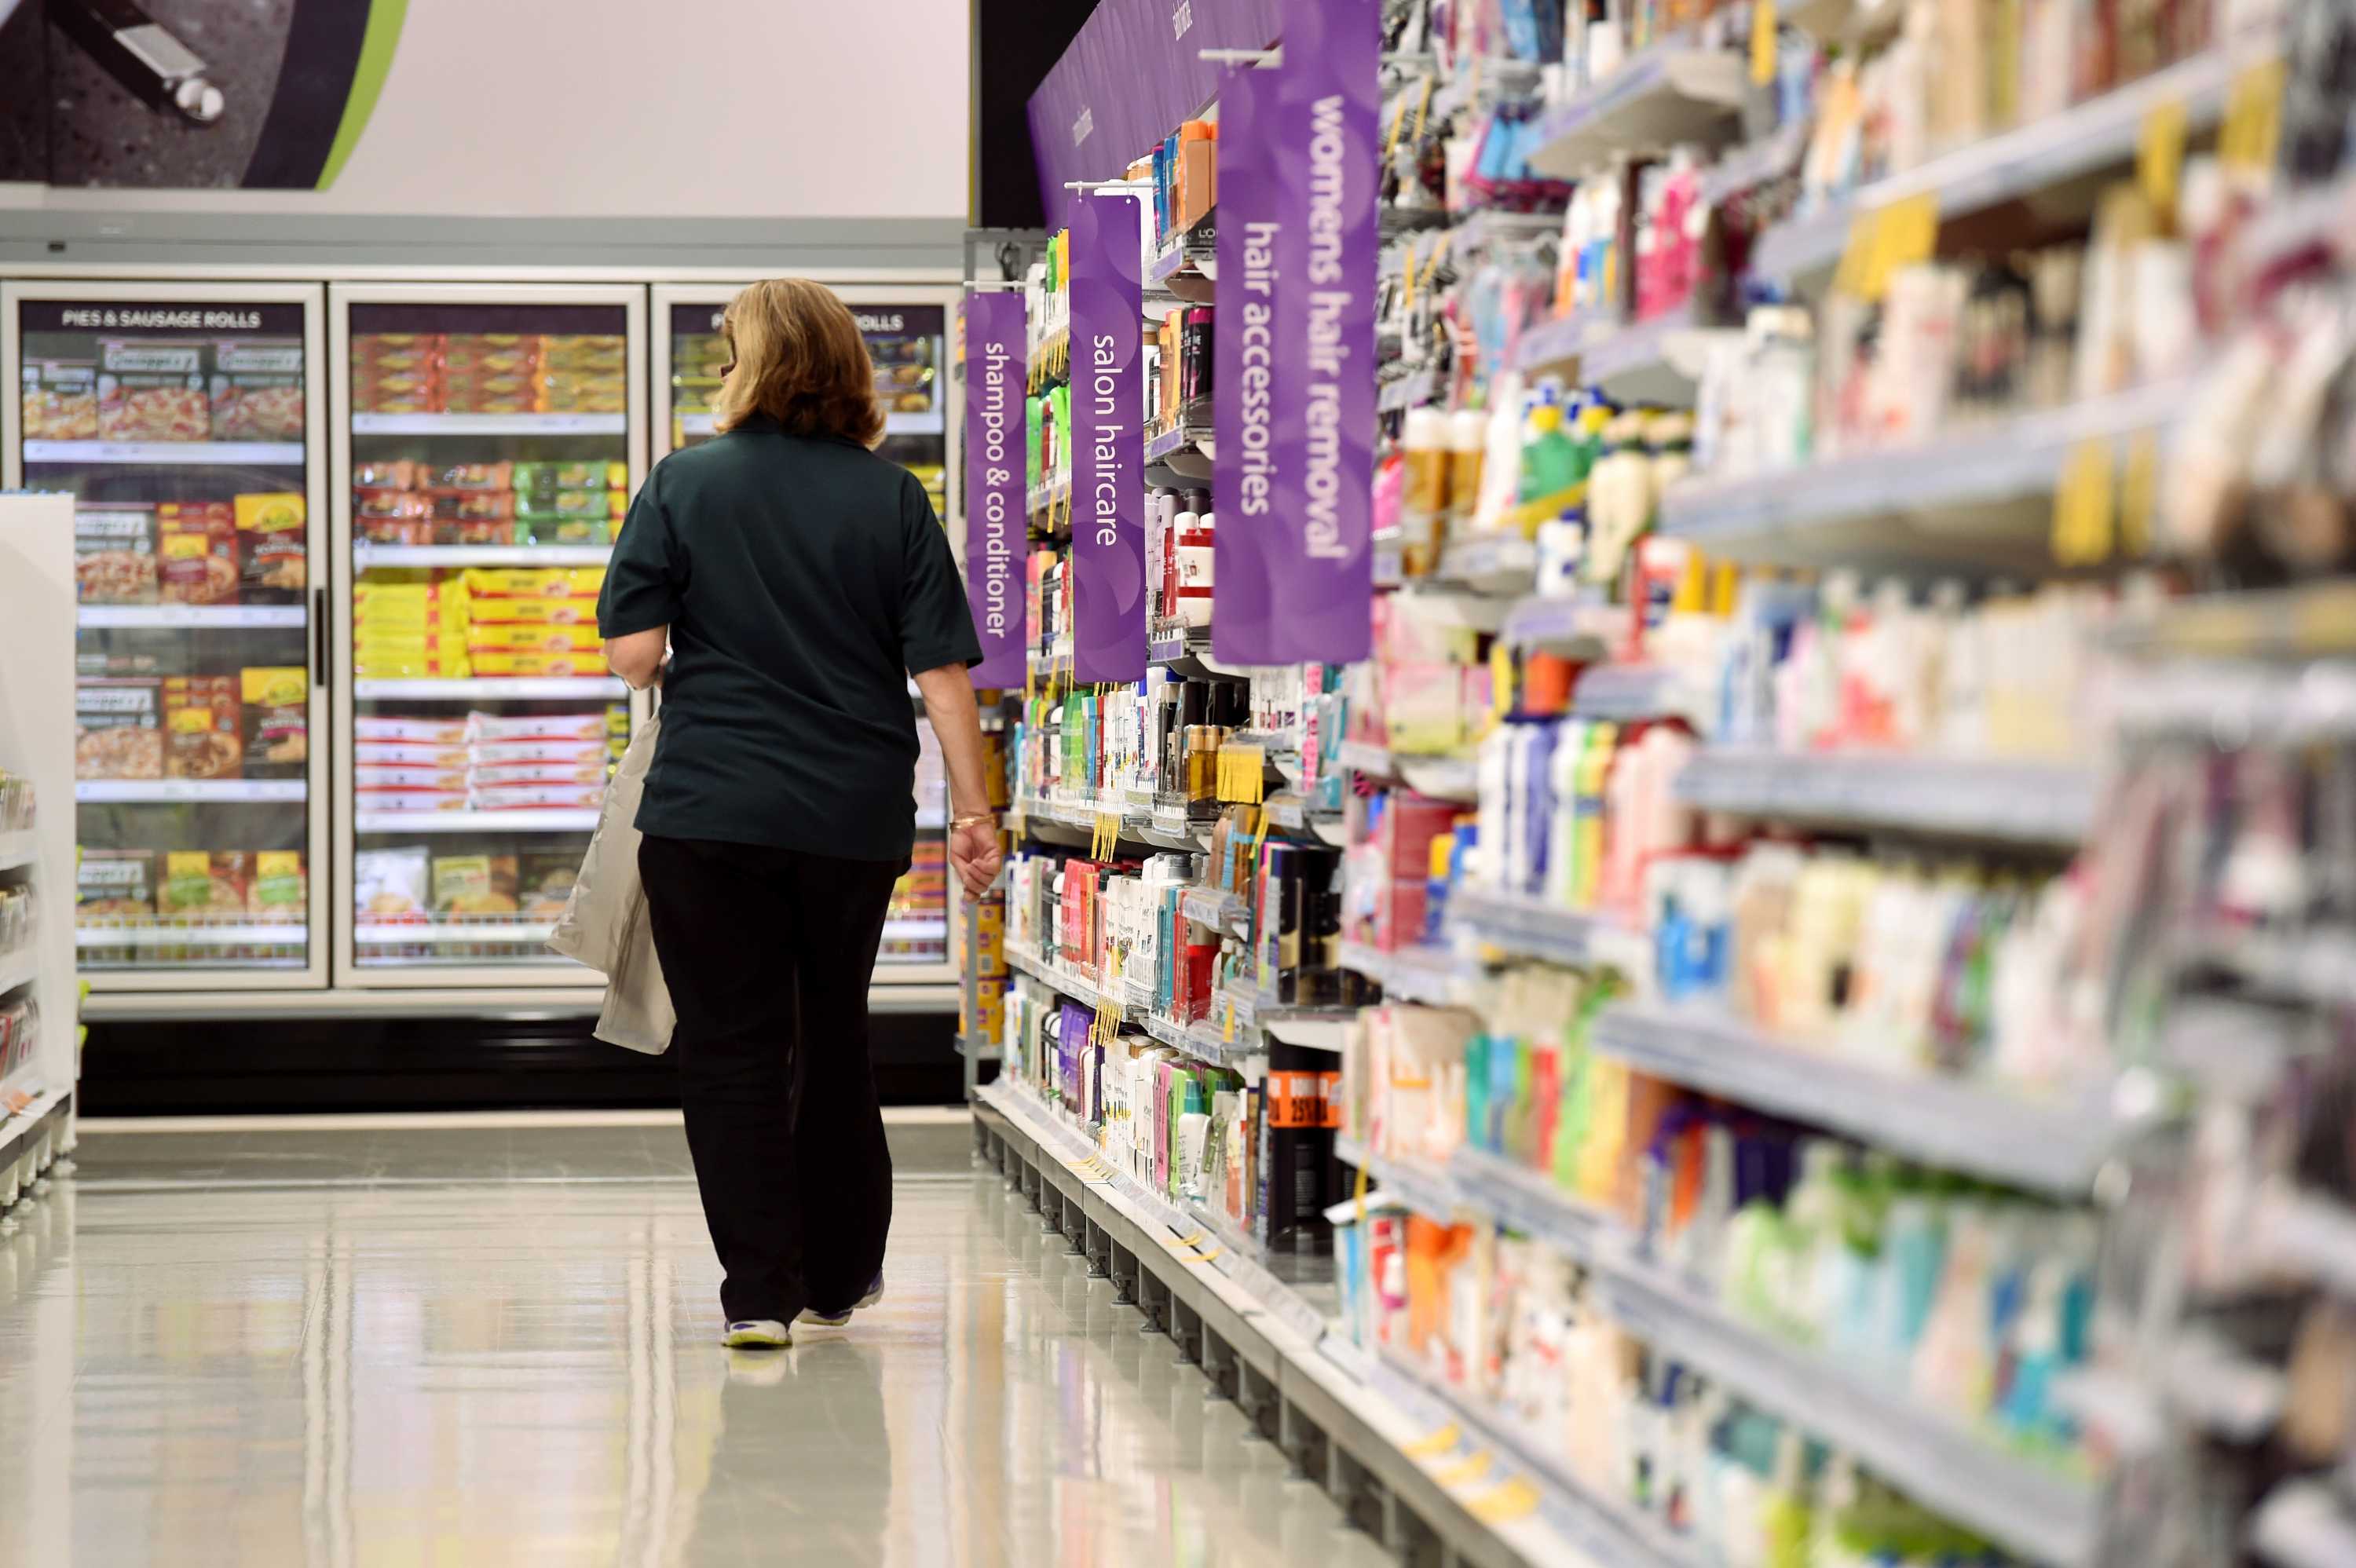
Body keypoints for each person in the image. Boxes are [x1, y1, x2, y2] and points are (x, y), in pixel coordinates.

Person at [597, 277, 1002, 1350]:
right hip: (849, 813)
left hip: (708, 812)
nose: (721, 371)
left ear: (755, 366)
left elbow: (634, 653)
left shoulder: (683, 483)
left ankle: (757, 1295)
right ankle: (837, 1273)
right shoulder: (891, 497)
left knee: (731, 1048)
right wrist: (975, 812)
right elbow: (945, 675)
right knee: (832, 1030)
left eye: (729, 352)